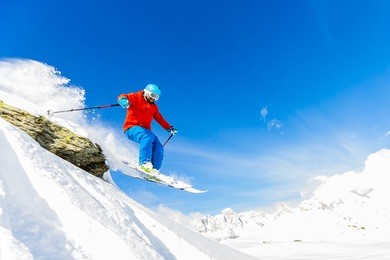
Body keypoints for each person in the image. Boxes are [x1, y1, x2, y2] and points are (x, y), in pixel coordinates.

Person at [118, 84, 177, 175]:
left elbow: (160, 119)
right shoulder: (137, 97)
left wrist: (169, 128)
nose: (154, 99)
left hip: (146, 131)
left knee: (159, 147)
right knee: (147, 136)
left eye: (157, 97)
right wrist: (123, 100)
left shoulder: (154, 107)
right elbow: (124, 96)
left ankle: (154, 170)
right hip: (131, 128)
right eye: (153, 95)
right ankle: (144, 164)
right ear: (146, 92)